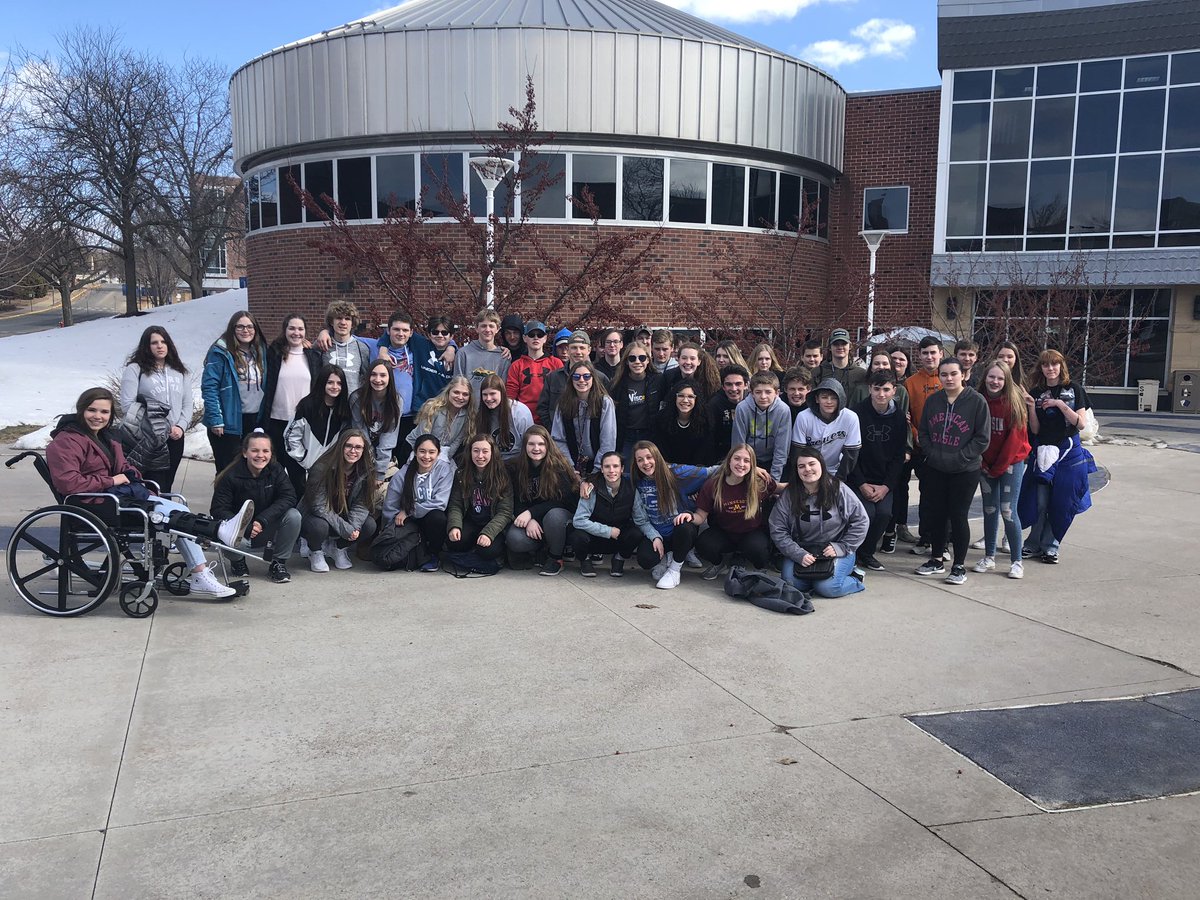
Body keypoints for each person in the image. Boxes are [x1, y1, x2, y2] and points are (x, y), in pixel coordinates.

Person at [48, 387, 254, 599]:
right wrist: (111, 480)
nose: (98, 417)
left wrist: (129, 472)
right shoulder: (66, 441)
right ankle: (214, 544)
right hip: (94, 504)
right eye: (92, 410)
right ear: (81, 410)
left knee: (178, 508)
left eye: (104, 412)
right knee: (167, 516)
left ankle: (212, 547)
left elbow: (124, 467)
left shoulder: (107, 437)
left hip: (116, 496)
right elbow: (69, 484)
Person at [914, 358, 990, 585]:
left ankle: (958, 566)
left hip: (964, 470)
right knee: (937, 513)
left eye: (953, 374)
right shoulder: (933, 400)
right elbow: (924, 432)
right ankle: (936, 558)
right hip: (936, 467)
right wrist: (932, 454)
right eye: (944, 374)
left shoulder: (977, 402)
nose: (948, 378)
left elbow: (982, 438)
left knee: (958, 515)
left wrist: (960, 457)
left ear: (963, 375)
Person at [1020, 349, 1094, 565]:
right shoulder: (1036, 392)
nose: (1050, 368)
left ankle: (1051, 545)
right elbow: (1034, 429)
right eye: (1045, 365)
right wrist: (1032, 408)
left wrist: (1060, 405)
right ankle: (1033, 543)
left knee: (1061, 502)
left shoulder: (1074, 390)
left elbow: (1080, 424)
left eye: (1054, 364)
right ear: (1041, 368)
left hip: (1069, 452)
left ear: (1061, 366)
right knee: (1040, 501)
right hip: (1043, 451)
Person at [769, 446, 869, 598]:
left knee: (827, 588)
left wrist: (842, 546)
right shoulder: (789, 495)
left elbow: (861, 520)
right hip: (802, 549)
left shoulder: (838, 489)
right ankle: (818, 579)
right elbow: (778, 529)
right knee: (792, 585)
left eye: (811, 464)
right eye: (801, 466)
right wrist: (797, 553)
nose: (807, 469)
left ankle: (855, 579)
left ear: (821, 465)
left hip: (836, 550)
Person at [211, 429, 299, 584]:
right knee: (221, 529)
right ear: (245, 453)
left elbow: (289, 496)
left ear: (271, 453)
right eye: (255, 450)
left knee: (294, 516)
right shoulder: (230, 476)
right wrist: (245, 525)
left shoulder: (276, 470)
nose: (260, 455)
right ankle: (237, 561)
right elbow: (218, 509)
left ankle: (278, 563)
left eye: (266, 451)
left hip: (265, 528)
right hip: (239, 532)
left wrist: (263, 520)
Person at [628, 441, 717, 589]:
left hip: (680, 529)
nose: (646, 463)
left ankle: (674, 570)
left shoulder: (677, 472)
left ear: (657, 457)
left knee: (685, 528)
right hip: (657, 534)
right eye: (640, 459)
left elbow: (711, 471)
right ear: (635, 463)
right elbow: (612, 477)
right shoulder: (635, 480)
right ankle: (668, 555)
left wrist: (752, 469)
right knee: (645, 560)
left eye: (649, 457)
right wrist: (588, 483)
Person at [119, 325, 192, 493]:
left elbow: (188, 404)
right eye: (154, 343)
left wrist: (181, 426)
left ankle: (164, 517)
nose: (160, 346)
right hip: (148, 438)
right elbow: (127, 405)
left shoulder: (180, 371)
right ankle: (151, 517)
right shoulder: (135, 369)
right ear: (146, 346)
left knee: (167, 483)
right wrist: (156, 426)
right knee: (153, 485)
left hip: (174, 438)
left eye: (163, 341)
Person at [974, 360, 1030, 578]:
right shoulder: (979, 401)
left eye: (1000, 378)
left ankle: (1017, 561)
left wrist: (997, 467)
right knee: (989, 509)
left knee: (1008, 510)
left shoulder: (1014, 403)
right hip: (986, 464)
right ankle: (989, 556)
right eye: (991, 377)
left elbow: (1014, 441)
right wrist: (983, 462)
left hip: (1010, 463)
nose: (995, 381)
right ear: (985, 377)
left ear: (1006, 380)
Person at [848, 371, 908, 572]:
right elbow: (851, 453)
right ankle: (853, 554)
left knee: (884, 514)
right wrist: (861, 483)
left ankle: (867, 553)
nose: (881, 394)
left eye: (886, 389)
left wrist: (886, 486)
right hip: (861, 478)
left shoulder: (899, 417)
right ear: (869, 389)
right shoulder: (856, 413)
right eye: (877, 389)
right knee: (866, 514)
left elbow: (899, 456)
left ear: (894, 391)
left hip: (883, 481)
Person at [693, 444, 779, 580]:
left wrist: (806, 485)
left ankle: (760, 569)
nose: (741, 464)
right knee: (704, 544)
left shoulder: (759, 482)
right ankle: (718, 564)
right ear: (729, 461)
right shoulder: (713, 485)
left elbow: (779, 488)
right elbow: (700, 516)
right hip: (724, 532)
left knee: (759, 549)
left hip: (751, 532)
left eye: (747, 461)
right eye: (737, 459)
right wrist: (687, 516)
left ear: (753, 464)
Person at [299, 429, 378, 572]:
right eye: (348, 446)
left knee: (369, 525)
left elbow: (363, 503)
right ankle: (315, 550)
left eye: (358, 447)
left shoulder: (366, 470)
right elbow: (319, 506)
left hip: (343, 514)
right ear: (341, 446)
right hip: (316, 515)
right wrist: (346, 529)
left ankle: (338, 548)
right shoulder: (322, 467)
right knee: (319, 527)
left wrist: (353, 527)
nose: (353, 451)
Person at [505, 425, 579, 575]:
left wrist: (531, 513)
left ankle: (555, 558)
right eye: (531, 444)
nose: (536, 448)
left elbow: (563, 501)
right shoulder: (515, 467)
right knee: (514, 539)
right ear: (525, 446)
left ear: (548, 445)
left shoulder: (560, 467)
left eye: (541, 444)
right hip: (533, 521)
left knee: (554, 516)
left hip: (560, 519)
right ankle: (541, 549)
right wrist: (529, 519)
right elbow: (513, 499)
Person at [572, 451, 658, 577]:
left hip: (618, 538)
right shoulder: (591, 487)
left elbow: (641, 521)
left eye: (615, 466)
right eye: (607, 466)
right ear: (601, 469)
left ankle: (619, 559)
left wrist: (655, 537)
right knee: (577, 536)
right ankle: (585, 560)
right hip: (594, 537)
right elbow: (579, 520)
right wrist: (607, 531)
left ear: (622, 469)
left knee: (635, 533)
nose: (611, 470)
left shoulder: (631, 489)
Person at [202, 310, 269, 472]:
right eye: (240, 327)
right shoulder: (220, 353)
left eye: (249, 326)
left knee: (251, 470)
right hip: (228, 422)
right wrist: (216, 419)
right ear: (232, 329)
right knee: (228, 471)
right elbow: (209, 387)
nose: (245, 330)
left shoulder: (260, 351)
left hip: (253, 419)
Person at [379, 433, 455, 572]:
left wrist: (409, 511)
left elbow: (440, 503)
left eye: (432, 452)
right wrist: (389, 530)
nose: (426, 456)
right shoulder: (403, 473)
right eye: (422, 451)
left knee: (438, 517)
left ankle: (433, 555)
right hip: (408, 522)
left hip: (426, 519)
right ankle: (415, 554)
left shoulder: (444, 470)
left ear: (438, 454)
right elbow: (390, 506)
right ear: (415, 452)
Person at [262, 314, 321, 485]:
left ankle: (297, 510)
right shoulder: (273, 354)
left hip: (301, 423)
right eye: (292, 328)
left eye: (300, 329)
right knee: (274, 472)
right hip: (276, 421)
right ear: (285, 330)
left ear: (305, 332)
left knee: (298, 474)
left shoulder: (313, 357)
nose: (296, 332)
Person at [446, 434, 514, 569]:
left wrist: (488, 533)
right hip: (472, 520)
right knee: (454, 542)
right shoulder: (461, 473)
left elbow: (505, 511)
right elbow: (456, 505)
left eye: (485, 451)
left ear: (492, 453)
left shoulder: (502, 475)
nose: (480, 456)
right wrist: (454, 526)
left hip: (493, 522)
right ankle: (472, 551)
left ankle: (495, 555)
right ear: (470, 452)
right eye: (476, 451)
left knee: (487, 551)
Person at [903, 336, 945, 551]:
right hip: (921, 448)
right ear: (919, 356)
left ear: (941, 354)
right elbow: (906, 415)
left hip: (945, 448)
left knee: (943, 496)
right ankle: (926, 537)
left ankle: (943, 540)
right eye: (925, 353)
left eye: (933, 352)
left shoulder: (948, 379)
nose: (929, 357)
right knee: (926, 495)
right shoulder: (911, 382)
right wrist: (916, 434)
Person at [284, 364, 351, 499]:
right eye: (330, 382)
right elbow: (291, 437)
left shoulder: (344, 411)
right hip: (303, 470)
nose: (335, 387)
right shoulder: (307, 406)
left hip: (330, 472)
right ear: (322, 383)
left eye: (339, 383)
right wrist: (304, 459)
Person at [550, 361, 616, 476]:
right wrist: (569, 467)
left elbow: (608, 441)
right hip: (570, 464)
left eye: (586, 376)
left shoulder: (605, 402)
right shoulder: (563, 403)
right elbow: (558, 439)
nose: (581, 380)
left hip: (599, 466)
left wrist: (596, 470)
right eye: (576, 376)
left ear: (593, 378)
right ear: (571, 379)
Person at [791, 378, 861, 479]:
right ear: (817, 399)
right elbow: (798, 453)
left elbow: (851, 455)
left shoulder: (850, 417)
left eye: (834, 398)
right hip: (808, 470)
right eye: (824, 397)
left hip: (836, 469)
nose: (829, 401)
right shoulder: (804, 417)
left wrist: (838, 481)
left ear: (840, 399)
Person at [537, 330, 610, 425]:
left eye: (582, 348)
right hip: (559, 435)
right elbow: (542, 408)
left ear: (589, 350)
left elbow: (608, 411)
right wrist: (552, 431)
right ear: (568, 350)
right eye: (574, 348)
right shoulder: (553, 378)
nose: (578, 352)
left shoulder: (600, 378)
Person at [732, 371, 792, 481]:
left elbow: (782, 449)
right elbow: (738, 445)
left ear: (777, 393)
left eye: (768, 392)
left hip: (772, 460)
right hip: (747, 460)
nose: (763, 396)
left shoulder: (783, 410)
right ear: (751, 392)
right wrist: (747, 470)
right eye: (758, 392)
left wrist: (774, 481)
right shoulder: (742, 408)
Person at [610, 342, 663, 459]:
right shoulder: (617, 384)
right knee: (628, 472)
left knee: (650, 470)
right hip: (626, 436)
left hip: (650, 435)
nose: (637, 362)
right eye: (632, 358)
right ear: (627, 362)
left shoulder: (658, 380)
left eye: (642, 358)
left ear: (648, 360)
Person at [351, 359, 402, 480]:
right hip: (360, 452)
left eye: (383, 375)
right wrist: (369, 466)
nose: (378, 379)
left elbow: (389, 438)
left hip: (384, 456)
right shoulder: (357, 398)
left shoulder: (396, 401)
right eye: (373, 374)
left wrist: (379, 472)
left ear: (390, 378)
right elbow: (360, 433)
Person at [506, 320, 563, 424]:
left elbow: (562, 393)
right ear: (524, 338)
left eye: (540, 335)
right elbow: (510, 396)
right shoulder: (516, 365)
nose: (536, 338)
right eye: (532, 335)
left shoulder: (556, 363)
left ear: (545, 338)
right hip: (524, 419)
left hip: (550, 419)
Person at [408, 375, 475, 463]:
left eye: (465, 394)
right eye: (456, 392)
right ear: (448, 392)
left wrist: (442, 461)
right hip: (416, 447)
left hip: (441, 454)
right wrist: (430, 458)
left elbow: (456, 443)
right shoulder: (432, 408)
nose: (460, 397)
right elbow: (423, 437)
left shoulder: (468, 416)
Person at [655, 378, 715, 465]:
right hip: (668, 469)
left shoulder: (706, 420)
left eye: (690, 396)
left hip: (697, 471)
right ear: (674, 397)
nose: (685, 400)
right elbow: (660, 451)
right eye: (681, 396)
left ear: (696, 400)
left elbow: (706, 452)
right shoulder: (661, 419)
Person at [453, 307, 511, 397]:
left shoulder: (503, 356)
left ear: (497, 329)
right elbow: (458, 386)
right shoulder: (463, 354)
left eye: (491, 326)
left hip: (492, 408)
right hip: (468, 408)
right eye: (483, 326)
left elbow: (503, 389)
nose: (487, 330)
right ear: (476, 328)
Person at [476, 374, 533, 461]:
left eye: (492, 394)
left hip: (518, 461)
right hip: (492, 462)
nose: (488, 398)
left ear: (502, 393)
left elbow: (529, 443)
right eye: (485, 394)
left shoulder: (520, 411)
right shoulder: (481, 413)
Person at [319, 301, 372, 395]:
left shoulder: (362, 348)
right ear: (331, 321)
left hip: (352, 405)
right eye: (339, 318)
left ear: (352, 323)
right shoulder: (323, 344)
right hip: (327, 404)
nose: (343, 322)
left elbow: (365, 378)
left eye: (347, 319)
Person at [709, 364, 749, 462]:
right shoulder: (714, 405)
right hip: (722, 457)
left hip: (750, 455)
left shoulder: (753, 404)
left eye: (738, 384)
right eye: (729, 384)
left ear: (746, 385)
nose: (734, 389)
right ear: (723, 386)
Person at [816, 328, 867, 393]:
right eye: (836, 344)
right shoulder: (817, 372)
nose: (840, 347)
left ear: (850, 346)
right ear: (829, 347)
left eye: (844, 343)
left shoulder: (861, 374)